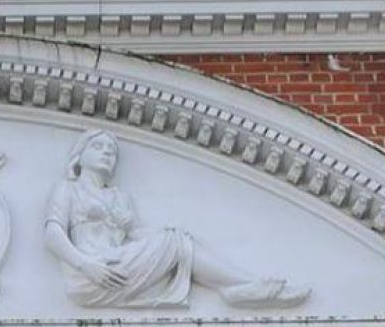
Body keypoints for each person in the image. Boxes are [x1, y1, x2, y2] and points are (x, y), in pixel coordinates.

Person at [43, 130, 308, 309]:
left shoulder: (119, 197)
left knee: (177, 239)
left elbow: (138, 234)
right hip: (90, 276)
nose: (107, 154)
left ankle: (244, 286)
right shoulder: (68, 189)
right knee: (174, 241)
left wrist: (165, 240)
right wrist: (86, 265)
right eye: (98, 147)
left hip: (120, 265)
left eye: (112, 151)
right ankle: (244, 286)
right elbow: (53, 234)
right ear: (80, 155)